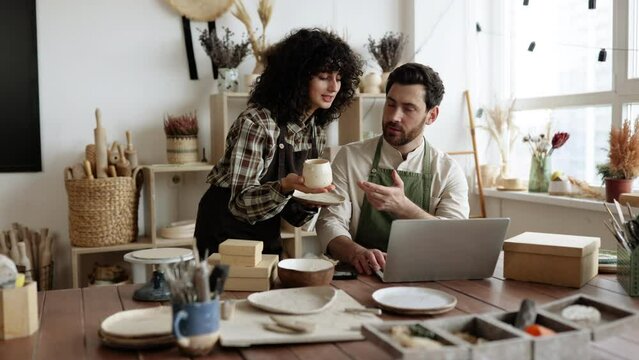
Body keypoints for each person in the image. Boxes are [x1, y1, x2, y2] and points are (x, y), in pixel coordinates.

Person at [195, 28, 362, 257]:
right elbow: (241, 203)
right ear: (297, 77)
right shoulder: (257, 123)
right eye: (324, 77)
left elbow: (292, 216)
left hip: (265, 229)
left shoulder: (314, 130)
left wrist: (311, 203)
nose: (334, 87)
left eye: (339, 78)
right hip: (224, 231)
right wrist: (285, 186)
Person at [316, 62, 470, 274]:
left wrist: (404, 208)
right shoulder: (350, 157)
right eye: (390, 104)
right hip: (362, 275)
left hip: (429, 276)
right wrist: (356, 253)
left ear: (431, 115)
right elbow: (329, 223)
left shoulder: (448, 171)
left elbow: (456, 239)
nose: (394, 117)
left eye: (408, 109)